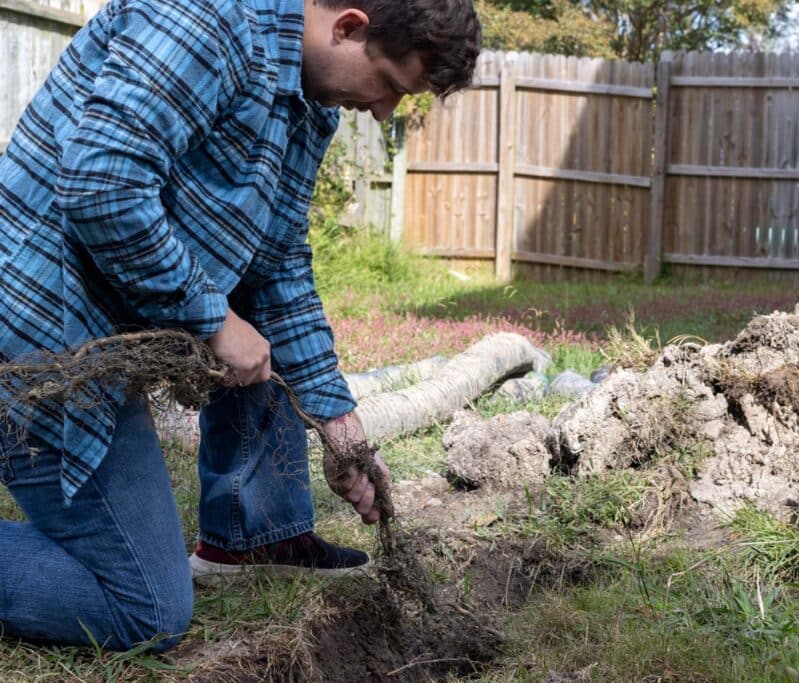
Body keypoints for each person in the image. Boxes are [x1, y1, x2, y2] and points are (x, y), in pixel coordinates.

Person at [0, 0, 480, 653]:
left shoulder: (307, 104)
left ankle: (253, 535)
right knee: (147, 610)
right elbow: (101, 182)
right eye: (392, 86)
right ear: (348, 26)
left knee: (257, 302)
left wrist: (339, 424)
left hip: (100, 347)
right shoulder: (207, 21)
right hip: (35, 335)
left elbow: (278, 264)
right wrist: (212, 318)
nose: (383, 111)